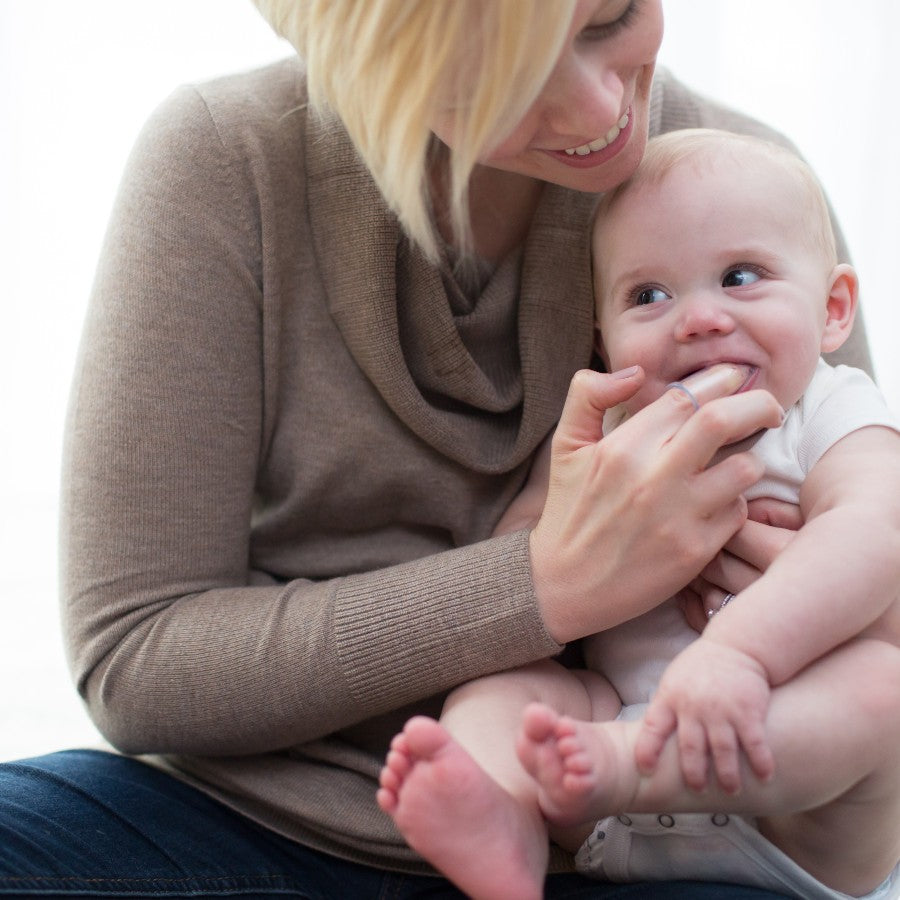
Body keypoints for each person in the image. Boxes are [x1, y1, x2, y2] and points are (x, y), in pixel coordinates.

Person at [0, 1, 875, 897]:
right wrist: (545, 583)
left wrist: (792, 605)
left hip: (641, 830)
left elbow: (869, 569)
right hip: (248, 817)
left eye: (610, 16)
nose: (596, 110)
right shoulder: (230, 161)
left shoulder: (746, 193)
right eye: (500, 81)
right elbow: (135, 658)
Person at [377, 129, 900, 900]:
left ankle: (629, 765)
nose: (696, 318)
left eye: (741, 276)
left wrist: (741, 657)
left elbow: (872, 534)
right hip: (604, 753)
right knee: (499, 695)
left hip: (791, 813)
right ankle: (505, 825)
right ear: (602, 336)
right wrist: (562, 522)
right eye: (648, 296)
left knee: (880, 686)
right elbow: (525, 568)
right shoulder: (622, 432)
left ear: (832, 311)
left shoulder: (830, 406)